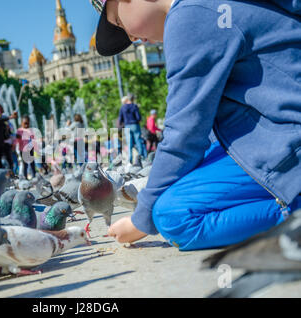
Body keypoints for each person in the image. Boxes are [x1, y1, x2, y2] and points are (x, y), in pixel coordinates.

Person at [91, 0, 301, 251]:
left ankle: (293, 216)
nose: (133, 38)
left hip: (290, 142)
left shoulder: (190, 16)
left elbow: (185, 133)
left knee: (174, 217)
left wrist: (141, 221)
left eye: (119, 22)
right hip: (282, 134)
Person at [118, 94, 147, 162]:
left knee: (129, 143)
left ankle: (130, 159)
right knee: (138, 141)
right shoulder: (134, 106)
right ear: (133, 99)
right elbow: (138, 117)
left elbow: (120, 119)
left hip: (127, 126)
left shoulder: (122, 107)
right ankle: (140, 158)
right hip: (135, 125)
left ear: (127, 99)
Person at [16, 115, 36, 179]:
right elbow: (17, 140)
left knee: (32, 163)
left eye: (28, 123)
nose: (26, 125)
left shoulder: (31, 130)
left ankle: (34, 176)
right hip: (22, 150)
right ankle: (25, 177)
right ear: (21, 123)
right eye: (25, 124)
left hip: (30, 149)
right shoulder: (19, 131)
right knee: (25, 164)